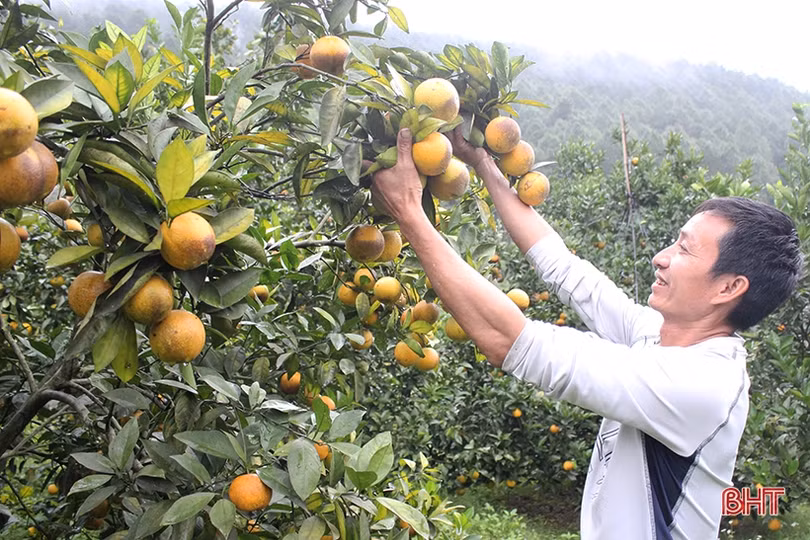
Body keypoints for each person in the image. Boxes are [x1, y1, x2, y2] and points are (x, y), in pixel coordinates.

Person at [370, 127, 803, 540]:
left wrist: (409, 213)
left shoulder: (700, 385)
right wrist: (482, 161)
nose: (661, 257)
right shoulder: (662, 336)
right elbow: (564, 268)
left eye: (685, 249)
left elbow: (513, 342)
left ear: (728, 288)